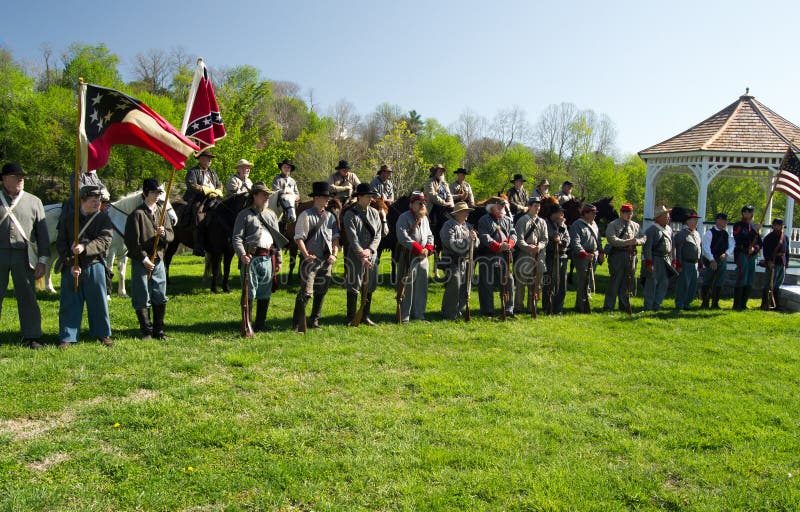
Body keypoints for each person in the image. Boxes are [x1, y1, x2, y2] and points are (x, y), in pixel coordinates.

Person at [0, 162, 50, 349]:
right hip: (0, 253)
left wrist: (43, 260)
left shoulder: (34, 201)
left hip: (24, 255)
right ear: (4, 179)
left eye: (22, 176)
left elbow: (43, 234)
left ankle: (32, 336)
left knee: (28, 296)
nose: (21, 179)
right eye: (15, 176)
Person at [56, 185, 113, 348]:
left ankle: (102, 333)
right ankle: (68, 336)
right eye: (93, 201)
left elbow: (105, 240)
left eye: (98, 200)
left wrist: (84, 248)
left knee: (98, 301)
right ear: (82, 201)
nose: (97, 204)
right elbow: (61, 243)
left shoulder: (103, 219)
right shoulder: (68, 218)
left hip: (94, 264)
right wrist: (70, 263)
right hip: (71, 267)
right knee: (70, 302)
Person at [124, 178, 175, 340]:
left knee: (159, 293)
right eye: (154, 192)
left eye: (159, 192)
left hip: (158, 258)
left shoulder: (162, 212)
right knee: (141, 294)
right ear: (145, 193)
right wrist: (144, 258)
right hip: (142, 260)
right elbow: (131, 242)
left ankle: (158, 330)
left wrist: (164, 234)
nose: (157, 195)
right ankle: (146, 331)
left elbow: (171, 235)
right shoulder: (136, 215)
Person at [232, 182, 286, 332]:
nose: (267, 197)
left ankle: (260, 324)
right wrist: (242, 254)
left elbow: (277, 239)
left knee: (265, 292)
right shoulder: (244, 214)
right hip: (250, 258)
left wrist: (279, 259)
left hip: (268, 258)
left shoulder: (271, 215)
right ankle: (247, 324)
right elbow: (236, 237)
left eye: (268, 195)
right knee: (249, 292)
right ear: (254, 196)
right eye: (264, 194)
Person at [292, 182, 340, 331]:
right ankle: (298, 323)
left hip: (327, 261)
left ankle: (314, 321)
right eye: (324, 197)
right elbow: (299, 238)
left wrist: (334, 255)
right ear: (316, 198)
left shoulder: (331, 217)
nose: (327, 200)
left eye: (328, 198)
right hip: (310, 260)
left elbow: (335, 239)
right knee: (306, 292)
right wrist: (306, 255)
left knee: (321, 292)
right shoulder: (305, 215)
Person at [342, 183, 382, 325]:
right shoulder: (349, 214)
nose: (371, 199)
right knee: (353, 285)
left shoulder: (375, 213)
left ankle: (365, 316)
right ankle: (351, 317)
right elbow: (352, 238)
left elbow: (378, 235)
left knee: (370, 285)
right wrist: (361, 253)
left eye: (371, 196)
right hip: (355, 256)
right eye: (368, 196)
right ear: (359, 197)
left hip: (372, 255)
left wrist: (370, 250)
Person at [396, 191, 434, 322]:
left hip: (423, 257)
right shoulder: (404, 217)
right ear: (412, 204)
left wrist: (428, 249)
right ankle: (404, 316)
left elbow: (430, 235)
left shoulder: (424, 218)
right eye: (420, 203)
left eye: (424, 202)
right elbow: (402, 237)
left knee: (421, 287)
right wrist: (418, 249)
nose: (423, 205)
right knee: (407, 286)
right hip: (409, 255)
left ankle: (419, 314)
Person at [477, 196, 517, 317]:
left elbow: (513, 234)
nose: (502, 208)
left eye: (503, 206)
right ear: (491, 207)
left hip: (504, 255)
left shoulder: (508, 220)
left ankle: (509, 309)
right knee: (486, 283)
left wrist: (509, 244)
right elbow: (484, 236)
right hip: (488, 255)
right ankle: (488, 310)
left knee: (509, 280)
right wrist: (498, 246)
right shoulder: (484, 219)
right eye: (499, 206)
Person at [603, 203, 646, 312]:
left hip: (631, 255)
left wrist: (637, 241)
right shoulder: (613, 224)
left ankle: (624, 305)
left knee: (628, 282)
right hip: (618, 255)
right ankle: (609, 306)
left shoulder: (635, 225)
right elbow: (611, 239)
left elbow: (643, 237)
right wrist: (626, 242)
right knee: (615, 281)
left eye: (630, 212)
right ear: (621, 213)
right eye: (626, 212)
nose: (628, 214)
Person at [439, 201, 477, 320]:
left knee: (466, 287)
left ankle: (458, 311)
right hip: (452, 261)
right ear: (457, 213)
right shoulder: (448, 225)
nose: (467, 214)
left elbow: (477, 243)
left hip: (466, 261)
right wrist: (468, 241)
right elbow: (451, 244)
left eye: (467, 212)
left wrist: (475, 239)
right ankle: (448, 313)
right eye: (464, 212)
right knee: (454, 283)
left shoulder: (468, 226)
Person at [183, 149, 222, 256]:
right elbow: (191, 185)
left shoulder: (212, 172)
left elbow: (219, 184)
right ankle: (198, 245)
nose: (209, 160)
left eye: (210, 159)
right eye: (207, 158)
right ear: (200, 159)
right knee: (199, 215)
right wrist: (205, 190)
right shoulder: (192, 171)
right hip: (198, 199)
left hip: (213, 198)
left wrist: (218, 190)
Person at [513, 196, 547, 314]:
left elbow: (545, 239)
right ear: (529, 206)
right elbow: (518, 239)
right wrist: (528, 247)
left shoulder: (542, 222)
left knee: (536, 283)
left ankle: (531, 306)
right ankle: (518, 307)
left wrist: (539, 247)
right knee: (521, 282)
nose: (537, 208)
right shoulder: (522, 220)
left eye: (539, 205)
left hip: (538, 254)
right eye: (535, 205)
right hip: (524, 253)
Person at [569, 204, 603, 313]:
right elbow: (575, 242)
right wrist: (584, 254)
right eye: (592, 213)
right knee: (583, 281)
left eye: (595, 213)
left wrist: (601, 252)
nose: (594, 215)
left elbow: (598, 240)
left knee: (588, 281)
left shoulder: (594, 225)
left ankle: (586, 302)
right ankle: (581, 305)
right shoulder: (577, 225)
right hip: (582, 257)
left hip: (593, 255)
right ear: (585, 213)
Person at [642, 205, 675, 311]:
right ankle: (649, 306)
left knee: (664, 283)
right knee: (652, 283)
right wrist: (649, 263)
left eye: (668, 215)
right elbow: (647, 248)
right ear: (659, 217)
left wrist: (673, 260)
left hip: (665, 259)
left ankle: (657, 304)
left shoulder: (669, 229)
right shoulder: (651, 230)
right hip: (655, 259)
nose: (668, 217)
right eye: (666, 215)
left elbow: (671, 246)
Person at [700, 212, 734, 309]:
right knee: (708, 281)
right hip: (711, 260)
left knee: (719, 282)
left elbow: (731, 245)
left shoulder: (726, 234)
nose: (725, 222)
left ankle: (715, 303)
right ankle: (705, 303)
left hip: (721, 260)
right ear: (718, 220)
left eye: (726, 220)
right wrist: (712, 260)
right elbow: (706, 248)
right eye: (723, 220)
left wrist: (726, 253)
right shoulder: (709, 233)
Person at [732, 204, 762, 310]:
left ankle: (743, 304)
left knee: (750, 280)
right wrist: (754, 231)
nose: (747, 214)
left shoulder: (754, 227)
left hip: (751, 256)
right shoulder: (738, 225)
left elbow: (759, 243)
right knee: (742, 278)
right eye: (745, 212)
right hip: (742, 253)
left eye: (749, 212)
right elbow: (740, 239)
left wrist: (755, 248)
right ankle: (737, 304)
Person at [542, 205, 570, 314]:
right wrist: (558, 237)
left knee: (562, 284)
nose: (562, 215)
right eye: (560, 212)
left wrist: (561, 241)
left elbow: (567, 239)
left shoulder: (563, 225)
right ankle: (547, 307)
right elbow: (552, 236)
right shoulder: (546, 223)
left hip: (562, 256)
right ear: (553, 214)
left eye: (562, 213)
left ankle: (558, 309)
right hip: (550, 256)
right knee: (549, 282)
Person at [673, 210, 702, 310]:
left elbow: (699, 249)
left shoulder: (697, 234)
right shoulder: (682, 234)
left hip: (695, 263)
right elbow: (678, 250)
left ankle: (687, 303)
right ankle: (680, 303)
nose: (696, 222)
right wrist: (679, 264)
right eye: (693, 220)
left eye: (696, 220)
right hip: (685, 262)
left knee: (693, 285)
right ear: (688, 221)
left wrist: (701, 263)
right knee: (683, 284)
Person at [761, 218, 789, 310]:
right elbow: (766, 252)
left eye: (780, 225)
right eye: (776, 224)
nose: (778, 226)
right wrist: (769, 262)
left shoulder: (785, 237)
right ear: (773, 225)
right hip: (773, 263)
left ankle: (775, 304)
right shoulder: (769, 237)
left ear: (782, 226)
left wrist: (786, 263)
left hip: (781, 262)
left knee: (777, 284)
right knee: (768, 284)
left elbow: (787, 252)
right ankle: (765, 304)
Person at [423, 163, 454, 234]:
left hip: (445, 208)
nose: (442, 173)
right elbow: (432, 195)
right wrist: (444, 203)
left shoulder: (445, 184)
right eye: (440, 171)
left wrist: (450, 203)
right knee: (433, 225)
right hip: (433, 207)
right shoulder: (429, 182)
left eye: (442, 171)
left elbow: (449, 195)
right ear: (435, 172)